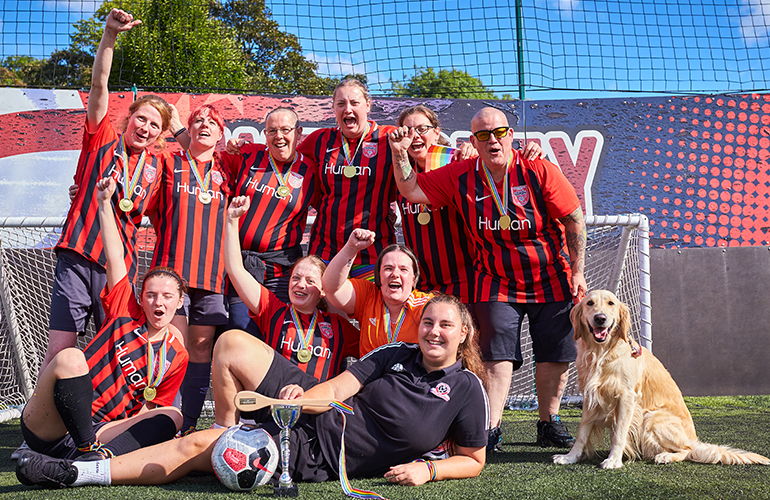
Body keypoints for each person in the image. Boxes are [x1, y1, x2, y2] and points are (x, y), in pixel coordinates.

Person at [16, 295, 488, 489]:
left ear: (464, 335)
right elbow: (340, 388)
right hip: (309, 406)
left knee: (197, 444)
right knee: (232, 342)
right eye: (429, 321)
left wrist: (430, 472)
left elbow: (474, 459)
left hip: (317, 452)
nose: (434, 331)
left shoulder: (467, 389)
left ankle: (76, 473)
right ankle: (230, 426)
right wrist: (297, 400)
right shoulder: (394, 352)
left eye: (446, 325)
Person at [390, 106, 587, 451]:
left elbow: (574, 219)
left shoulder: (539, 169)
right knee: (496, 355)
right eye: (483, 135)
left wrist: (579, 270)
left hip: (550, 274)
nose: (492, 140)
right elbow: (410, 189)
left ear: (511, 135)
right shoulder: (459, 174)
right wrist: (397, 153)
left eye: (498, 133)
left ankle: (548, 422)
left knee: (554, 354)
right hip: (495, 278)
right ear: (473, 142)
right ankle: (491, 428)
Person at [15, 176, 187, 468]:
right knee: (69, 357)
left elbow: (150, 408)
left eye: (167, 296)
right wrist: (105, 204)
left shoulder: (177, 354)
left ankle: (96, 459)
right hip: (54, 424)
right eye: (151, 295)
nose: (159, 303)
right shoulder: (124, 310)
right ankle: (85, 456)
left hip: (102, 433)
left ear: (179, 302)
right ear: (141, 298)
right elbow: (115, 254)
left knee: (173, 415)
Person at [41, 8, 172, 374]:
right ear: (128, 118)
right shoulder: (101, 139)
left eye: (154, 125)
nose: (145, 127)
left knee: (118, 352)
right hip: (78, 256)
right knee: (60, 351)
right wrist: (109, 36)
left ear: (160, 135)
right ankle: (38, 432)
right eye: (141, 118)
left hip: (118, 269)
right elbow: (99, 86)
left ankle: (107, 427)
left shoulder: (158, 167)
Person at [215, 194, 359, 426]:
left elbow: (371, 356)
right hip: (273, 409)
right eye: (295, 278)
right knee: (229, 341)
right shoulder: (273, 309)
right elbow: (236, 270)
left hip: (316, 416)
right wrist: (232, 221)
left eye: (310, 281)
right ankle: (223, 432)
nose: (300, 284)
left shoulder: (338, 326)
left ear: (324, 290)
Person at [396, 105, 545, 303]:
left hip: (467, 281)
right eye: (408, 130)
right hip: (422, 284)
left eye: (422, 129)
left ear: (437, 132)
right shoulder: (398, 173)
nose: (415, 136)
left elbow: (497, 161)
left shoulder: (457, 163)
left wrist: (531, 151)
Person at [147, 104, 231, 434]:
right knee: (174, 347)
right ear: (188, 130)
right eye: (198, 121)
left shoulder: (230, 166)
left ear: (221, 133)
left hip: (212, 276)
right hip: (172, 274)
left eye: (212, 122)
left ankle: (189, 425)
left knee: (199, 348)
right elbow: (148, 206)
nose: (204, 126)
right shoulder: (169, 162)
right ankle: (164, 421)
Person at [221, 107, 319, 336]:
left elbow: (334, 206)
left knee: (278, 336)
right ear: (264, 134)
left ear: (299, 132)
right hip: (242, 267)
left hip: (282, 274)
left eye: (285, 129)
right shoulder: (248, 155)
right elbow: (208, 164)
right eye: (272, 130)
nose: (279, 136)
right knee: (241, 333)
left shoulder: (312, 171)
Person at [296, 78, 398, 281]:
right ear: (333, 108)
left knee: (368, 311)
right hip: (325, 252)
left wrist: (463, 150)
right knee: (326, 311)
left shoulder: (389, 138)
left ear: (368, 105)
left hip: (373, 254)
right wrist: (244, 147)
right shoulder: (320, 140)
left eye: (354, 102)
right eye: (341, 104)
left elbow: (428, 146)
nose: (348, 109)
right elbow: (283, 159)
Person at [322, 228, 432, 357]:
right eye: (388, 268)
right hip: (369, 375)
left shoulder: (427, 306)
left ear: (413, 279)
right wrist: (351, 248)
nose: (395, 274)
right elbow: (332, 288)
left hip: (409, 376)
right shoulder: (368, 295)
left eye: (403, 269)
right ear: (379, 276)